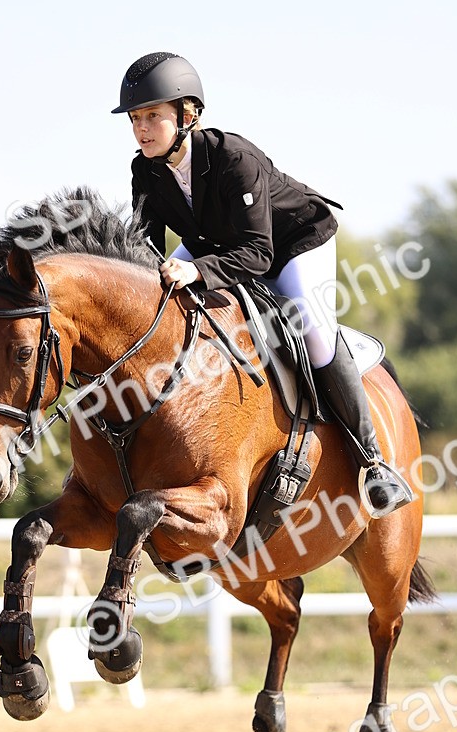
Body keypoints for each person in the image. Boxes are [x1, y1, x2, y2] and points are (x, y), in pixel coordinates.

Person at [112, 51, 413, 516]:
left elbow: (259, 253)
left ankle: (373, 463)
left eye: (152, 115)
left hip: (292, 243)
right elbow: (146, 251)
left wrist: (196, 270)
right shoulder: (145, 169)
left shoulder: (234, 157)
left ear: (187, 114)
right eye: (135, 118)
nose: (142, 129)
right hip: (215, 242)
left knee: (311, 331)